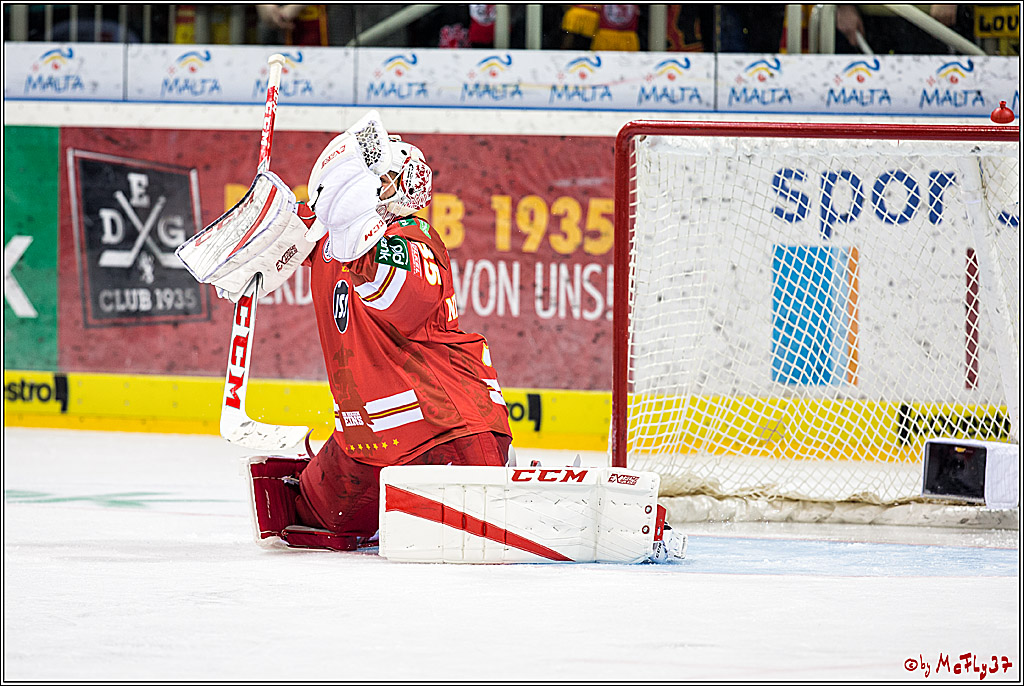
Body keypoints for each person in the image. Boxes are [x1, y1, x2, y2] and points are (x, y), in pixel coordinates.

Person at [231, 113, 513, 551]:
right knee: (298, 523)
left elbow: (402, 295)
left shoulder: (410, 238)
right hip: (365, 442)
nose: (403, 185)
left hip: (444, 430)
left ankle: (504, 474)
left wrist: (355, 231)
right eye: (387, 178)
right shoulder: (326, 237)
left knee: (475, 543)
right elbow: (294, 227)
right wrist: (250, 234)